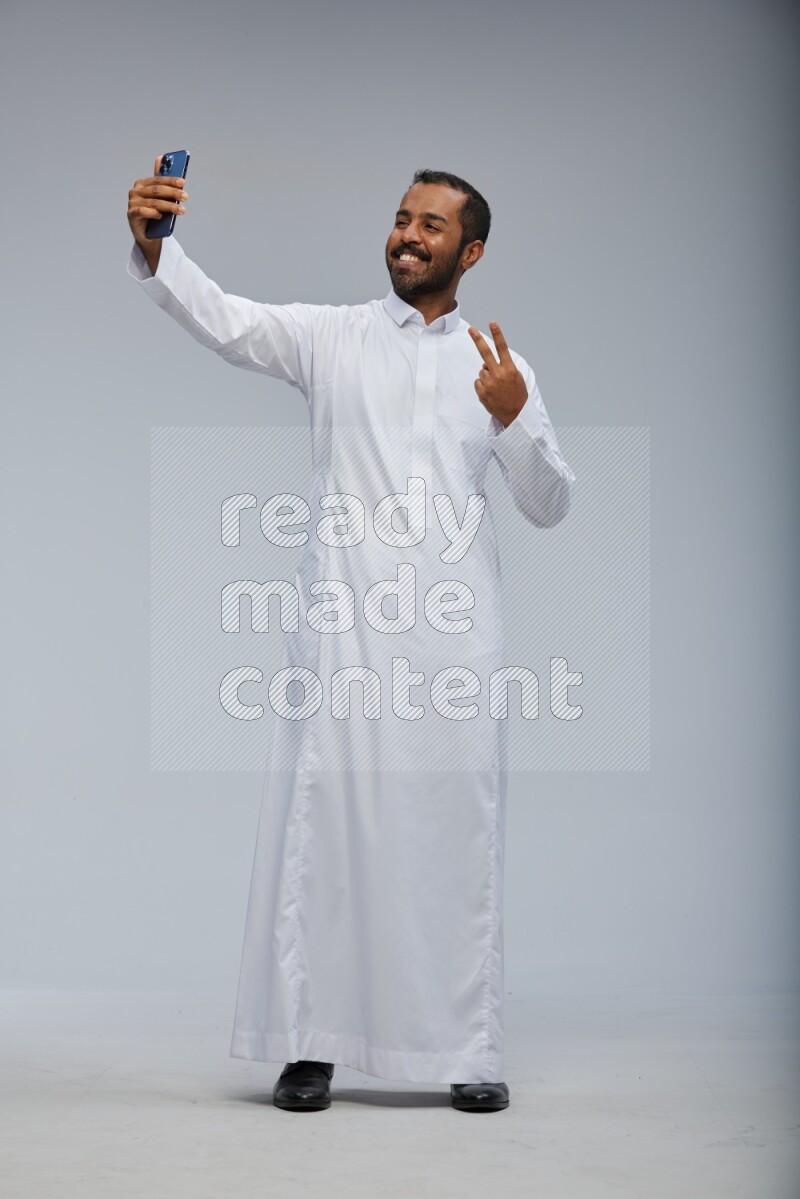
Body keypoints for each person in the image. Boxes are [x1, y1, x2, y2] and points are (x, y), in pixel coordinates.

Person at [126, 159, 575, 1113]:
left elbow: (547, 503)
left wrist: (518, 423)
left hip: (454, 648)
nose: (408, 235)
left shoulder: (500, 369)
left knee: (459, 836)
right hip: (344, 638)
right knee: (325, 836)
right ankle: (311, 1045)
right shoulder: (333, 338)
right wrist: (156, 244)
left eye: (432, 225)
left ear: (472, 251)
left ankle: (468, 1046)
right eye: (402, 219)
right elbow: (228, 319)